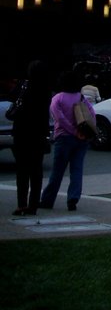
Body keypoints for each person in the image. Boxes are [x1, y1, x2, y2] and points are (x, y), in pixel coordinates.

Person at [40, 70, 96, 212]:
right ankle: (73, 199)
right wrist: (85, 132)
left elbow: (59, 118)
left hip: (63, 138)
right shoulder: (81, 97)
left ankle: (48, 199)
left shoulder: (57, 98)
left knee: (57, 171)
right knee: (76, 170)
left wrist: (72, 130)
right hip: (81, 138)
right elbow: (92, 113)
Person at [9, 60, 52, 217]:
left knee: (22, 170)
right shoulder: (46, 90)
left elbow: (14, 99)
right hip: (38, 133)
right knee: (36, 170)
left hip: (22, 131)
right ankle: (33, 205)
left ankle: (21, 204)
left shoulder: (24, 87)